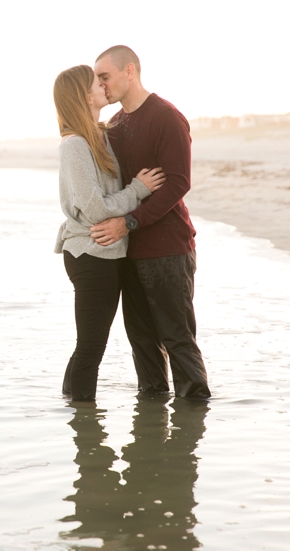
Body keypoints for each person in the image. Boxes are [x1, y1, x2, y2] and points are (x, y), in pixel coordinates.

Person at [89, 45, 211, 399]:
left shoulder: (166, 116)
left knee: (177, 339)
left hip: (168, 249)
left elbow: (178, 182)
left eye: (105, 77)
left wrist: (128, 222)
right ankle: (151, 434)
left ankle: (192, 429)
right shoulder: (114, 124)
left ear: (129, 71)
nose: (101, 85)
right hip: (129, 251)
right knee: (142, 342)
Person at [53, 64, 165, 402]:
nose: (103, 85)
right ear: (85, 95)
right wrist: (138, 189)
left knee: (90, 347)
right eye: (96, 81)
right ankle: (85, 433)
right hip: (90, 253)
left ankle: (72, 410)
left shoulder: (99, 135)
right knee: (91, 347)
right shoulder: (74, 145)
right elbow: (96, 209)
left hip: (107, 252)